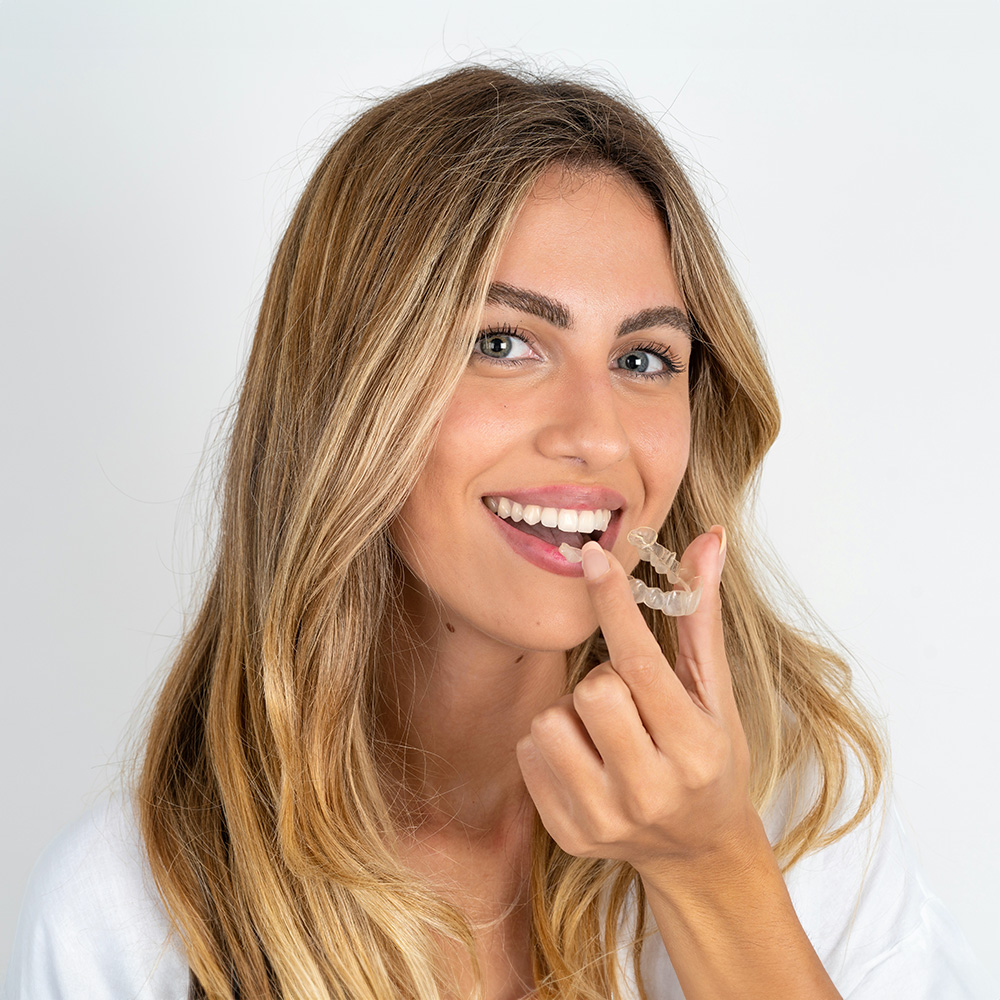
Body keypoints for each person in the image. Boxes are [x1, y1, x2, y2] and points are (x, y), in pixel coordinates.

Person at [4, 62, 996, 1000]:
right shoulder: (129, 913)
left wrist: (709, 869)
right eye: (503, 342)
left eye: (645, 358)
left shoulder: (797, 807)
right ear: (348, 388)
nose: (596, 434)